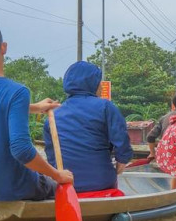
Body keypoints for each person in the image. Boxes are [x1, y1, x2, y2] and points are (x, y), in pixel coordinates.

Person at [0, 16, 73, 201]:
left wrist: (36, 107)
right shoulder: (17, 92)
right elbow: (21, 150)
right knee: (59, 183)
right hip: (16, 190)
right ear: (4, 47)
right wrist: (57, 175)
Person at [42, 61, 132, 195]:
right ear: (93, 83)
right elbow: (121, 139)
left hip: (66, 184)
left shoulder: (52, 116)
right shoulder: (106, 107)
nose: (101, 86)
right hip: (101, 183)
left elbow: (51, 155)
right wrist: (122, 161)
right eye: (99, 82)